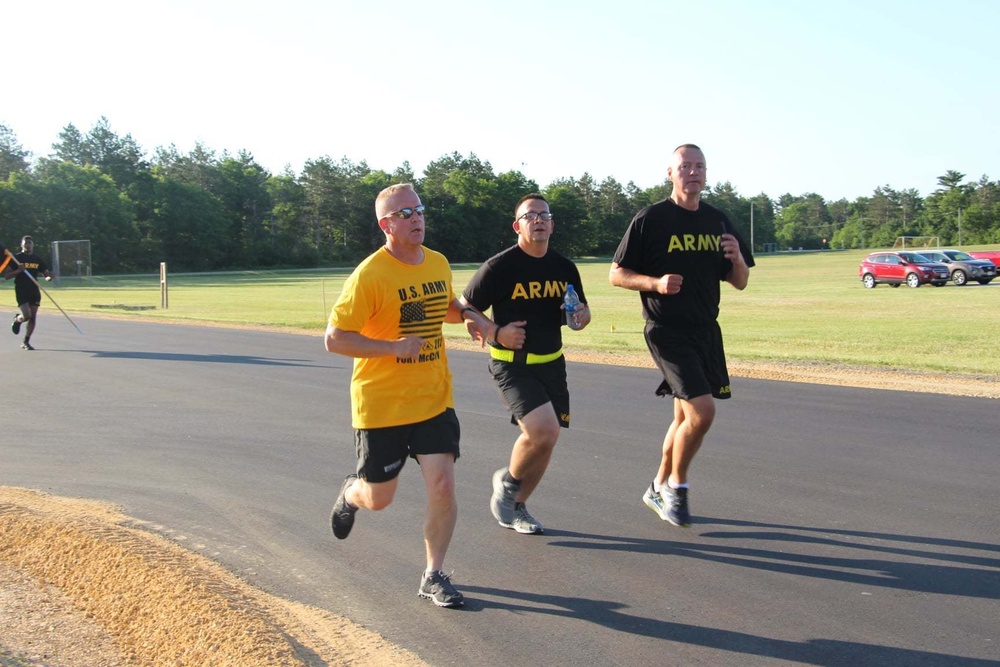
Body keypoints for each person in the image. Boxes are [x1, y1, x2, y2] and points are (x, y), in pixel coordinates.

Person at [324, 183, 491, 608]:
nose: (417, 218)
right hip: (381, 404)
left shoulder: (436, 262)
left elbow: (445, 304)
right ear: (386, 225)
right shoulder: (370, 275)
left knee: (443, 485)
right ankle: (351, 492)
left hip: (433, 397)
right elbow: (335, 338)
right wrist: (393, 348)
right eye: (405, 213)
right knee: (379, 498)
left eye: (419, 209)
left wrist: (471, 317)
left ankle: (434, 574)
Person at [609, 144, 753, 527]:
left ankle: (656, 485)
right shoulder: (650, 219)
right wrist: (654, 283)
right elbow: (616, 273)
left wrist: (737, 258)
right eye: (685, 166)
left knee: (683, 417)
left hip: (706, 330)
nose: (693, 172)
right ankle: (677, 485)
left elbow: (739, 282)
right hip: (666, 331)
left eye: (699, 166)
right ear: (670, 173)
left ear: (707, 175)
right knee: (702, 412)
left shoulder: (719, 221)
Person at [461, 193, 591, 535]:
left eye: (544, 215)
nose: (538, 220)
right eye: (530, 215)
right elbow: (465, 307)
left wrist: (580, 317)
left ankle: (517, 503)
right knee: (542, 430)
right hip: (511, 364)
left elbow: (582, 311)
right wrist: (496, 331)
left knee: (547, 440)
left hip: (552, 362)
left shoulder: (564, 267)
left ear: (552, 224)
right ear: (517, 225)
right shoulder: (500, 266)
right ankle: (507, 488)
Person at [4, 236, 54, 351]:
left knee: (33, 317)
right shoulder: (16, 258)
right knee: (27, 316)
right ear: (22, 245)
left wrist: (49, 277)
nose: (28, 245)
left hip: (34, 290)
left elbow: (46, 275)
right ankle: (18, 319)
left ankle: (26, 341)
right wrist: (18, 270)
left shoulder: (37, 259)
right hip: (22, 289)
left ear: (33, 245)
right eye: (25, 243)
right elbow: (7, 276)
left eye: (30, 243)